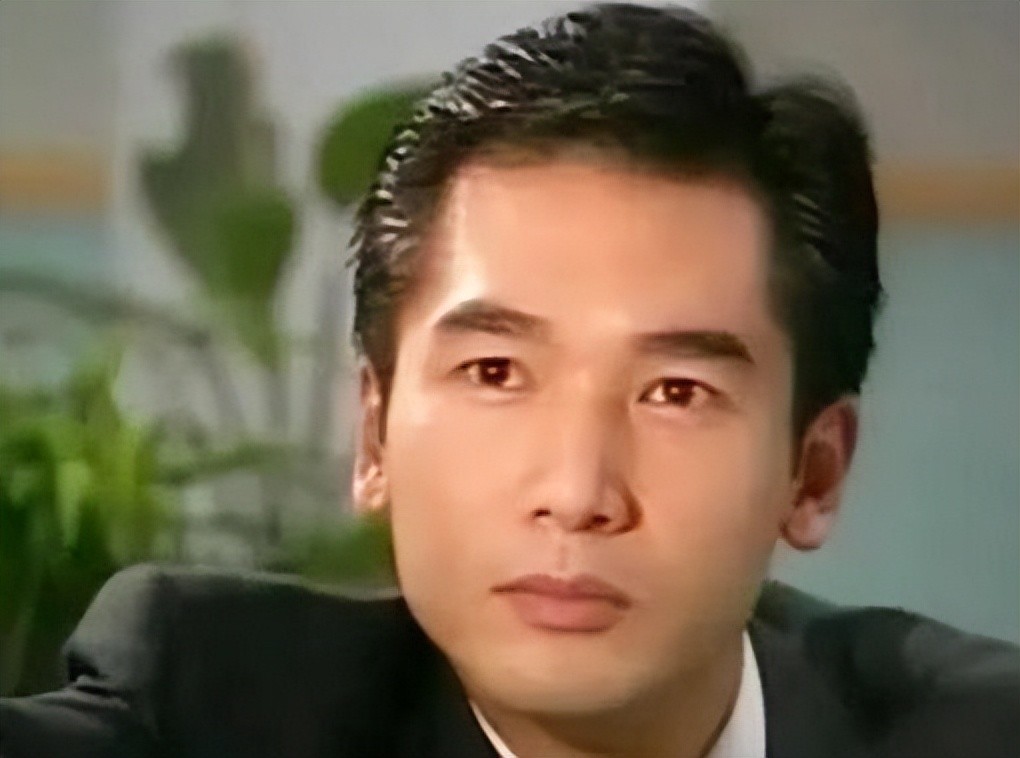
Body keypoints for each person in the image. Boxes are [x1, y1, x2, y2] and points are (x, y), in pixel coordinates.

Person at [1, 3, 1017, 757]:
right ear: (375, 435)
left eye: (676, 392)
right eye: (494, 371)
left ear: (814, 471)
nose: (576, 493)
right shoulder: (210, 708)